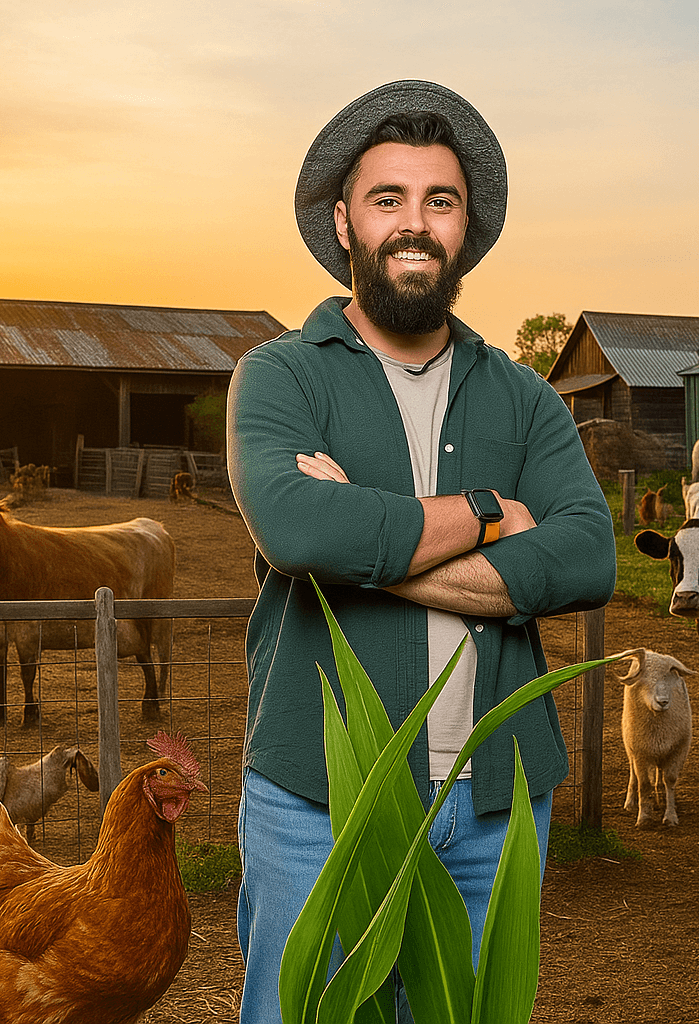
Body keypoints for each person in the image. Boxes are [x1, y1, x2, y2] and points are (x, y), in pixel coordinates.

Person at [227, 79, 616, 1024]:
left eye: (439, 201)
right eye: (387, 198)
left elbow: (588, 557)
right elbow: (296, 528)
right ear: (344, 220)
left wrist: (361, 546)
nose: (415, 222)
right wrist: (490, 509)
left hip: (495, 804)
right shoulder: (278, 374)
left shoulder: (523, 395)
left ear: (465, 227)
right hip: (316, 799)